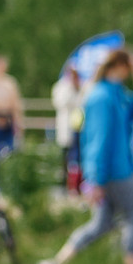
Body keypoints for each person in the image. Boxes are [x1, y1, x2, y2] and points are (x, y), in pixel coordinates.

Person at [37, 48, 133, 264]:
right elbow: (97, 141)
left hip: (117, 168)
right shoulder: (102, 98)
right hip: (115, 171)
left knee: (101, 225)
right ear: (120, 66)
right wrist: (95, 179)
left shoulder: (117, 95)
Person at [51, 61, 86, 192]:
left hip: (79, 127)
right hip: (67, 126)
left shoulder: (81, 86)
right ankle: (64, 184)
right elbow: (61, 102)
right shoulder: (61, 87)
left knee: (79, 157)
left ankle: (78, 184)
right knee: (65, 157)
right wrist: (71, 87)